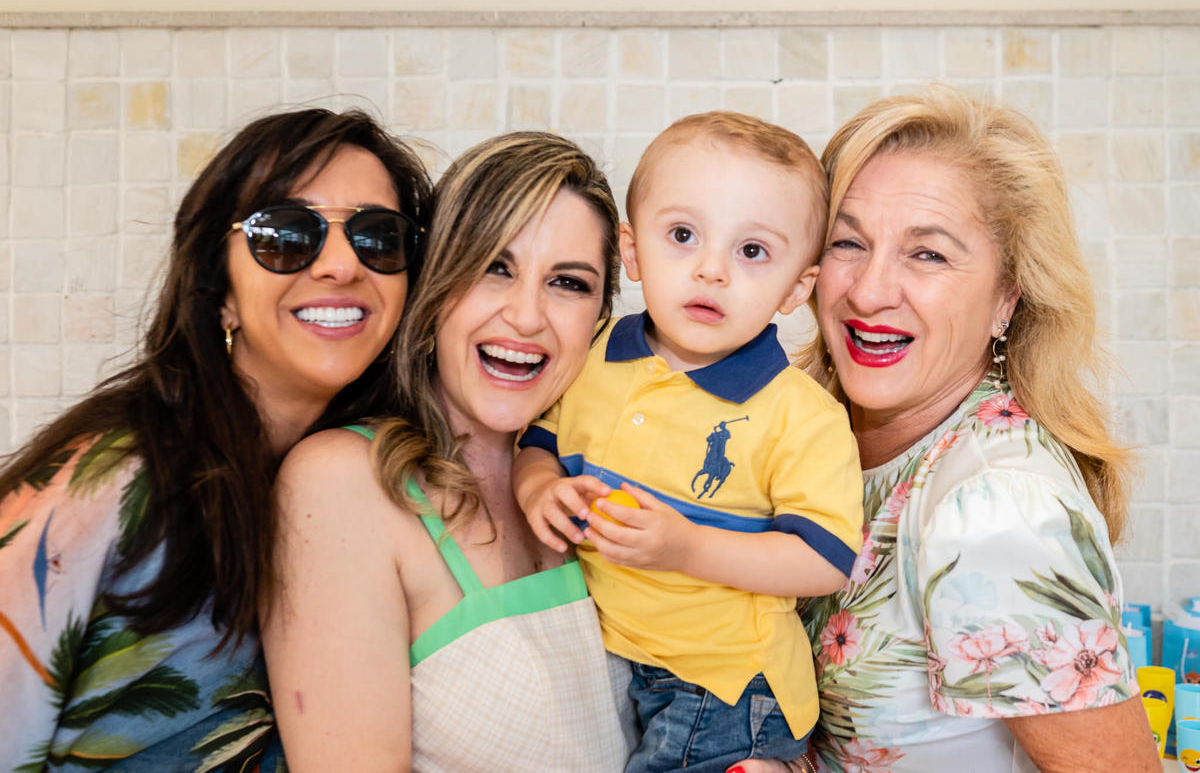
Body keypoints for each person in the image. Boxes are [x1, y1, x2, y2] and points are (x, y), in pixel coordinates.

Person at [0, 108, 432, 772]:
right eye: (286, 235)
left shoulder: (367, 486)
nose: (342, 265)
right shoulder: (115, 482)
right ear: (219, 291)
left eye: (379, 237)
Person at [786, 85, 1159, 772]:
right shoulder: (816, 434)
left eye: (927, 254)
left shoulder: (994, 506)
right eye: (847, 242)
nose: (869, 290)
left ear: (1005, 298)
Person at [261, 132, 638, 772]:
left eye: (568, 283)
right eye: (495, 267)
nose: (527, 317)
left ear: (600, 316)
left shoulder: (606, 476)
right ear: (436, 284)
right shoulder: (343, 484)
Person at [514, 111, 864, 773]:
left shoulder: (799, 415)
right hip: (624, 658)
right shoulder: (592, 353)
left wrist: (688, 547)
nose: (711, 270)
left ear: (797, 287)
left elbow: (824, 560)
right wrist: (538, 486)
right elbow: (539, 439)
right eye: (682, 236)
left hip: (727, 684)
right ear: (631, 252)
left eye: (751, 251)